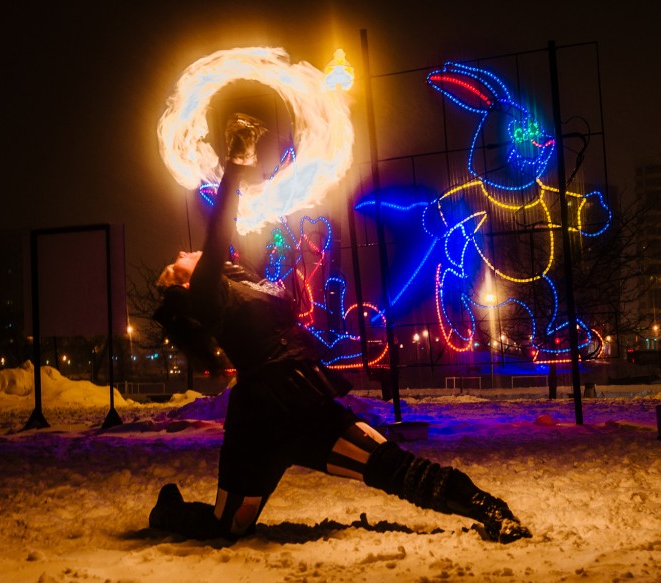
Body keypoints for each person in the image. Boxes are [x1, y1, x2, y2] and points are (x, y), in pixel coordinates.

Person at [148, 113, 531, 543]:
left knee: (391, 466)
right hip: (259, 418)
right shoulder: (204, 295)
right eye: (176, 260)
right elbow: (218, 234)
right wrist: (236, 162)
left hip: (302, 397)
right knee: (227, 527)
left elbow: (236, 244)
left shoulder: (241, 282)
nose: (183, 250)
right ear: (183, 283)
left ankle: (489, 509)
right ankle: (168, 513)